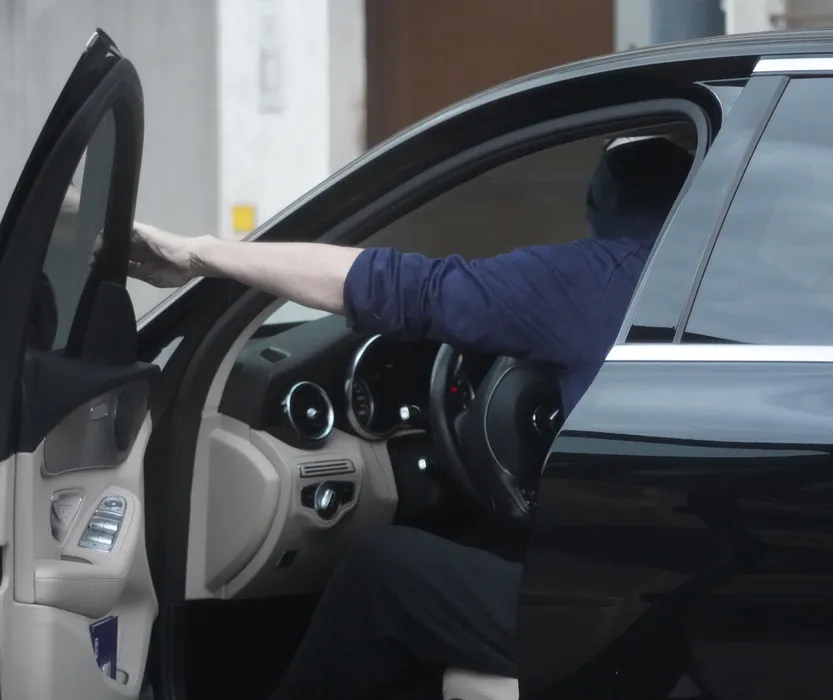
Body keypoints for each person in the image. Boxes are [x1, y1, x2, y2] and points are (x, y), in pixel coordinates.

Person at [130, 136, 694, 699]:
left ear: (600, 203)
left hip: (630, 618)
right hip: (697, 595)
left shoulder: (601, 278)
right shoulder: (720, 286)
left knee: (381, 569)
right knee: (480, 541)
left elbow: (397, 287)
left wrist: (204, 255)